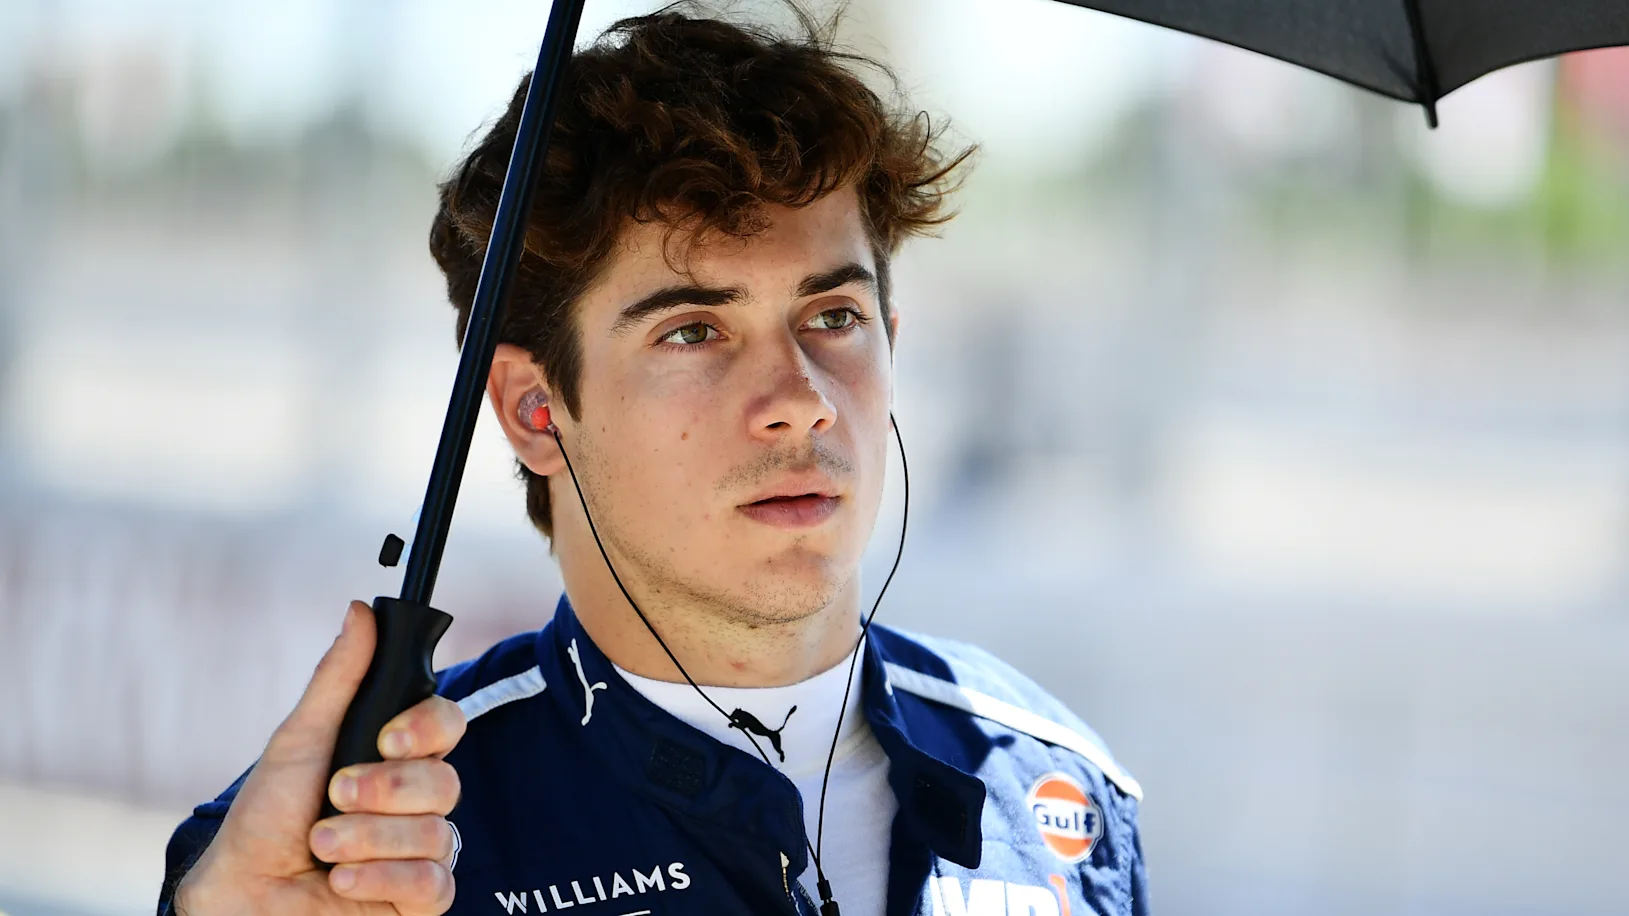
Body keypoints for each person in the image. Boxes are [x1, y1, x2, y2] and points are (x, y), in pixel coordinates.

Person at [158, 7, 1148, 916]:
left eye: (833, 316)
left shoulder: (1056, 784)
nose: (801, 399)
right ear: (536, 408)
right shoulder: (366, 850)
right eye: (694, 331)